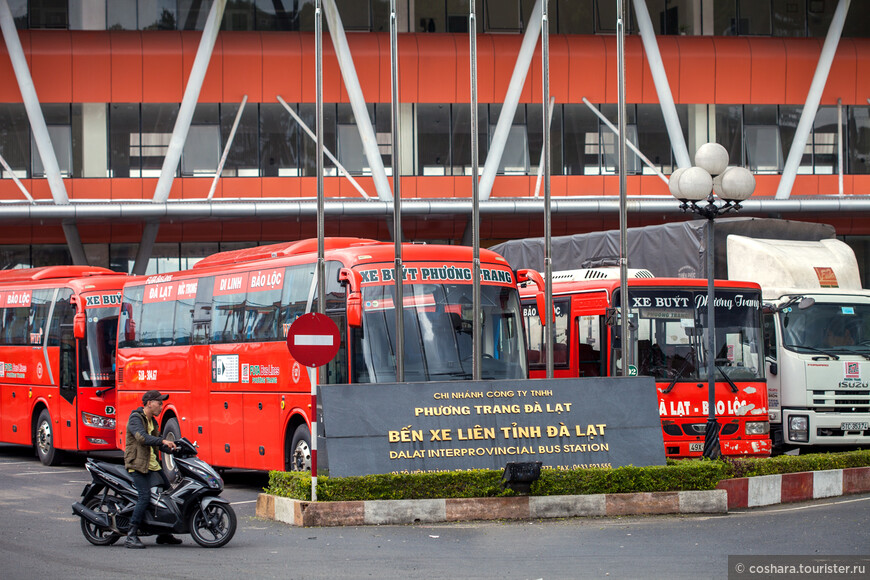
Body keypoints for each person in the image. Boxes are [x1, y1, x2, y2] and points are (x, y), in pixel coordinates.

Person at [124, 390, 179, 549]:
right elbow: (142, 438)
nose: (161, 406)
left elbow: (158, 443)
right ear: (149, 403)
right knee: (145, 497)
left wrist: (175, 448)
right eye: (159, 403)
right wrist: (163, 441)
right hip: (138, 466)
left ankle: (164, 534)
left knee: (168, 496)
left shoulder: (153, 422)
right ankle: (131, 535)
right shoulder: (136, 418)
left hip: (152, 465)